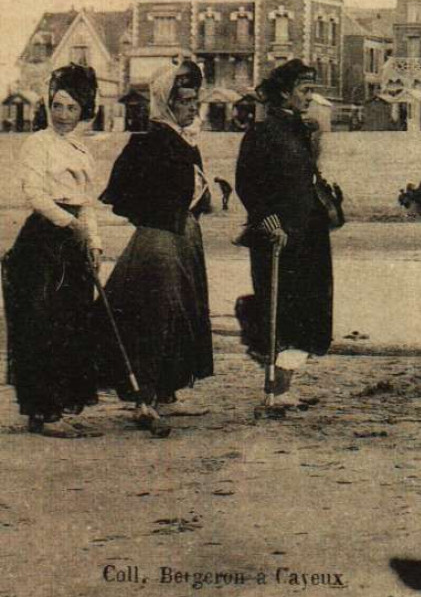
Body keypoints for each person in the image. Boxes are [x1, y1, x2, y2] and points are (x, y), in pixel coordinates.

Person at [98, 60, 215, 436]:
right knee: (152, 314)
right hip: (159, 242)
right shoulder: (147, 140)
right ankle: (142, 397)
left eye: (196, 100)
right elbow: (120, 194)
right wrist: (154, 217)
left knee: (182, 312)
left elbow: (195, 193)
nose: (193, 107)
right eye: (185, 101)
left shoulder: (187, 141)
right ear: (167, 102)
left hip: (184, 239)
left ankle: (164, 391)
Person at [2, 65, 104, 436]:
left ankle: (56, 407)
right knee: (41, 323)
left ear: (83, 112)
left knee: (72, 323)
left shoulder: (81, 149)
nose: (62, 115)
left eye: (71, 109)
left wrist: (94, 242)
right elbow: (35, 194)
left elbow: (87, 203)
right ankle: (41, 411)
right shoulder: (37, 144)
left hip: (74, 242)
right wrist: (69, 224)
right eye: (57, 106)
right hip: (43, 241)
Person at [235, 59, 335, 412]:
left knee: (307, 311)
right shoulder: (262, 133)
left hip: (308, 236)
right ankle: (272, 390)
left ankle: (284, 387)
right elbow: (247, 185)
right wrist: (270, 223)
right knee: (278, 311)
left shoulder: (301, 130)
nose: (310, 97)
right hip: (277, 238)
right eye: (304, 91)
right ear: (284, 93)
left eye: (311, 90)